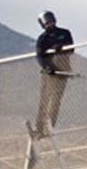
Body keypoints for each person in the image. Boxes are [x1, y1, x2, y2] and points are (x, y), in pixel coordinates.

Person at [30, 11, 75, 140]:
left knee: (55, 100)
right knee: (45, 100)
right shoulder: (43, 39)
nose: (49, 24)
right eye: (46, 22)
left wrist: (60, 47)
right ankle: (39, 128)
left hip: (62, 70)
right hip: (49, 73)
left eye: (50, 20)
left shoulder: (64, 33)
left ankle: (48, 127)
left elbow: (71, 48)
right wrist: (49, 68)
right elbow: (40, 57)